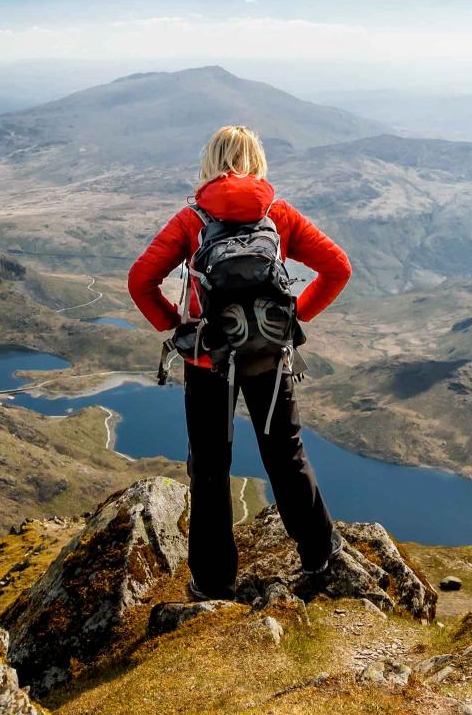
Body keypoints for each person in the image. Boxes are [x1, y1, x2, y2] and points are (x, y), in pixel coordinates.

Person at [127, 125, 353, 600]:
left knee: (209, 469)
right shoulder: (279, 215)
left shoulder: (192, 219)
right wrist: (291, 321)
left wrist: (178, 327)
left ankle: (212, 583)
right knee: (285, 455)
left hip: (209, 360)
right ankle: (320, 554)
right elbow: (338, 268)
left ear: (210, 163)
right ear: (258, 161)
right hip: (268, 358)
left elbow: (140, 280)